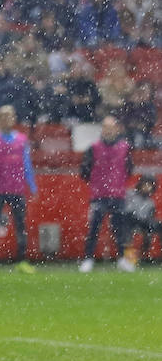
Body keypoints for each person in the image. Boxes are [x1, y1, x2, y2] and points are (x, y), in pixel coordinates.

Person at [0, 106, 37, 274]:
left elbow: (26, 163)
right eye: (4, 117)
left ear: (14, 119)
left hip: (16, 189)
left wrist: (32, 185)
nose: (7, 120)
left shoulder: (22, 140)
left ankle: (22, 260)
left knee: (20, 225)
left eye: (10, 116)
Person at [79, 116, 135, 273]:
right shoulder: (93, 148)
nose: (108, 130)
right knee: (94, 229)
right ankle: (88, 259)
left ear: (117, 129)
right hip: (99, 195)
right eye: (105, 127)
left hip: (117, 194)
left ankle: (123, 259)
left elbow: (129, 168)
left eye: (111, 127)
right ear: (102, 129)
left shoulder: (125, 147)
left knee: (120, 229)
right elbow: (84, 170)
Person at [123, 176, 161, 262]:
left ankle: (145, 256)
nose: (147, 187)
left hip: (143, 223)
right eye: (145, 184)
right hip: (129, 221)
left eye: (149, 185)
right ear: (140, 184)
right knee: (128, 223)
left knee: (153, 228)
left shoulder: (151, 202)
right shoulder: (130, 194)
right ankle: (128, 259)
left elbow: (150, 217)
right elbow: (127, 211)